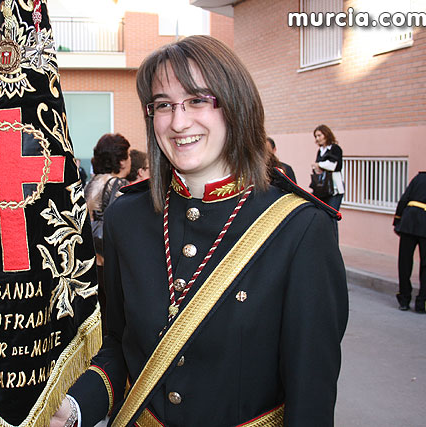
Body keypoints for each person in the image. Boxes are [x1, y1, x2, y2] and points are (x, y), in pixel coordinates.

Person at [51, 35, 348, 426]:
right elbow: (120, 347)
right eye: (163, 105)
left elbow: (310, 398)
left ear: (236, 106)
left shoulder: (300, 228)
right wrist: (73, 409)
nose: (178, 121)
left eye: (198, 100)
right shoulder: (128, 216)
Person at [84, 132, 131, 335]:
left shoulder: (92, 182)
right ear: (120, 160)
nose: (130, 161)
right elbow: (121, 225)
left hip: (91, 259)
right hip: (110, 260)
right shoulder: (118, 185)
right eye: (127, 155)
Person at [393, 171, 426, 313]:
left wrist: (398, 220)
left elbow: (404, 198)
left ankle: (404, 300)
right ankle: (423, 303)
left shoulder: (420, 177)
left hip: (408, 221)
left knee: (404, 262)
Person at [311, 124, 344, 210]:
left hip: (334, 189)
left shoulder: (335, 148)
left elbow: (334, 165)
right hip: (323, 189)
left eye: (319, 135)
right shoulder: (320, 151)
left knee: (332, 215)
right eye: (315, 136)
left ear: (326, 134)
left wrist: (319, 165)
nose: (317, 138)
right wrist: (317, 167)